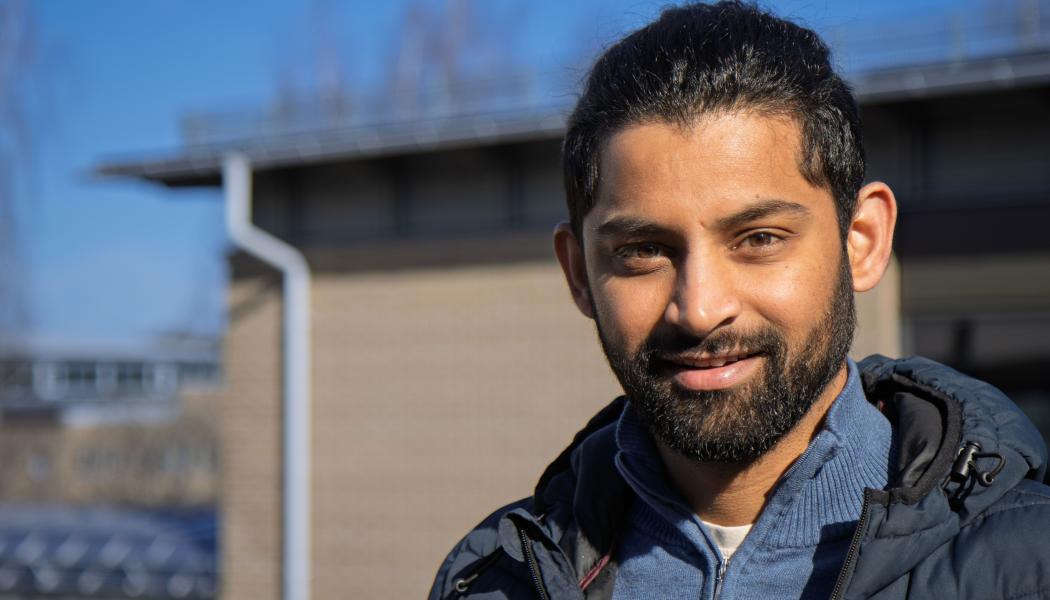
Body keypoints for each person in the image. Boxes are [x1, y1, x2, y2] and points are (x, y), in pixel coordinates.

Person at [428, 2, 1050, 598]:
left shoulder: (1030, 566)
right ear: (579, 275)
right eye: (643, 250)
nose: (699, 309)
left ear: (861, 242)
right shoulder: (494, 581)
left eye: (758, 238)